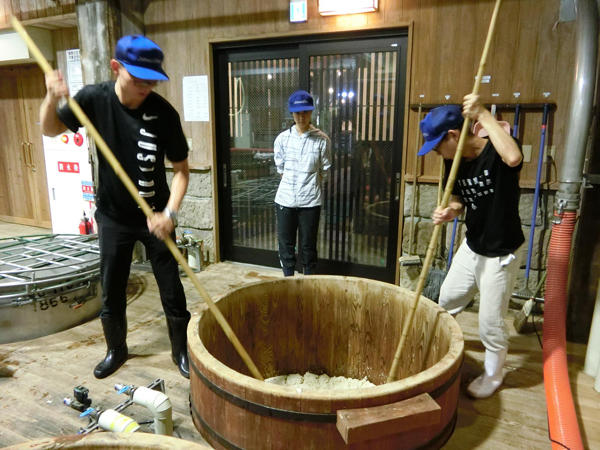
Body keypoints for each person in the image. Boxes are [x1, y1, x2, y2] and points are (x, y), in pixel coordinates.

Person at [40, 35, 191, 379]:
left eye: (151, 81)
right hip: (113, 217)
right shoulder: (94, 99)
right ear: (115, 67)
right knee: (111, 288)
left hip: (156, 218)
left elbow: (182, 171)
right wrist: (50, 97)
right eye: (138, 79)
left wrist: (170, 214)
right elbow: (50, 129)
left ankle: (180, 350)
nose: (145, 88)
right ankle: (116, 349)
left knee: (172, 287)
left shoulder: (164, 114)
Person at [418, 94, 524, 398]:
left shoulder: (497, 151)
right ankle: (436, 349)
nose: (437, 152)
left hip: (501, 251)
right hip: (473, 244)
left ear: (454, 135)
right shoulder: (453, 161)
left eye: (437, 145)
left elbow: (514, 158)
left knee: (490, 321)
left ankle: (493, 374)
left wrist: (482, 114)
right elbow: (459, 199)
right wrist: (450, 211)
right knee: (447, 298)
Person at [273, 90, 331, 276]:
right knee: (286, 244)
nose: (301, 116)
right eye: (297, 112)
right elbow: (281, 169)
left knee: (308, 245)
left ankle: (308, 281)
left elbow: (325, 170)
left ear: (311, 111)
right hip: (285, 200)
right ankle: (288, 279)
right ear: (291, 113)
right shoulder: (282, 139)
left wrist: (310, 185)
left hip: (311, 202)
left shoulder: (322, 139)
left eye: (305, 111)